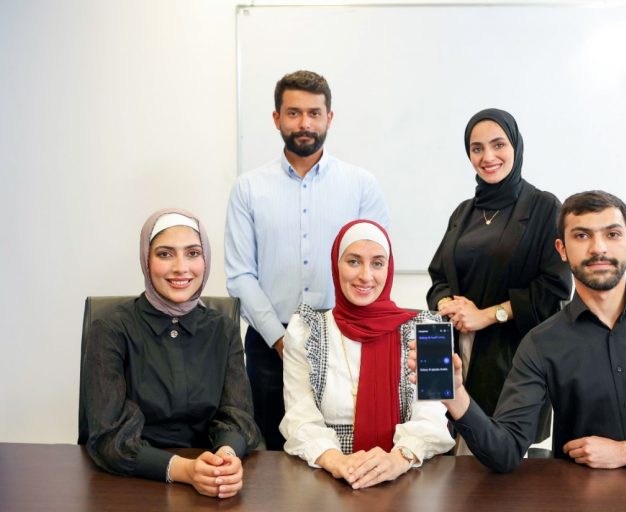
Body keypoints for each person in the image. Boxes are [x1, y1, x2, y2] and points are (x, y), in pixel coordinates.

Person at [410, 191, 626, 472]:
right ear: (561, 249)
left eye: (612, 234)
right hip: (582, 498)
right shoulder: (541, 343)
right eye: (582, 236)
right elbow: (506, 451)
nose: (598, 248)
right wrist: (456, 397)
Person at [225, 70, 389, 450]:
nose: (305, 123)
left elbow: (376, 265)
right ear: (276, 118)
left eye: (314, 113)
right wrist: (282, 341)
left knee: (342, 449)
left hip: (346, 340)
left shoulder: (361, 186)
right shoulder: (248, 188)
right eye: (294, 113)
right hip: (270, 344)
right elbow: (240, 275)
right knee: (269, 452)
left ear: (329, 117)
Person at [84, 209, 260, 498]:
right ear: (146, 260)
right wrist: (184, 470)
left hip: (211, 476)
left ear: (205, 260)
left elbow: (238, 415)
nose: (181, 268)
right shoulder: (110, 329)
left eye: (193, 253)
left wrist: (226, 457)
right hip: (133, 480)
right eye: (165, 254)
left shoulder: (223, 329)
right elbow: (109, 438)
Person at [426, 108, 572, 446]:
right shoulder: (464, 211)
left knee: (500, 456)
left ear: (515, 146)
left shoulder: (544, 207)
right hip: (454, 349)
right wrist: (448, 305)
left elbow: (554, 288)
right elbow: (438, 276)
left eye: (498, 145)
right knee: (448, 454)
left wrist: (487, 315)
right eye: (476, 148)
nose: (488, 157)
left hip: (510, 355)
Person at [280, 220, 454, 489]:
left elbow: (433, 419)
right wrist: (337, 461)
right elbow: (299, 416)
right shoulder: (305, 330)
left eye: (377, 263)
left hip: (408, 479)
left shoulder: (430, 332)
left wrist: (398, 459)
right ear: (336, 265)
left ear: (389, 268)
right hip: (328, 478)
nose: (365, 275)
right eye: (353, 261)